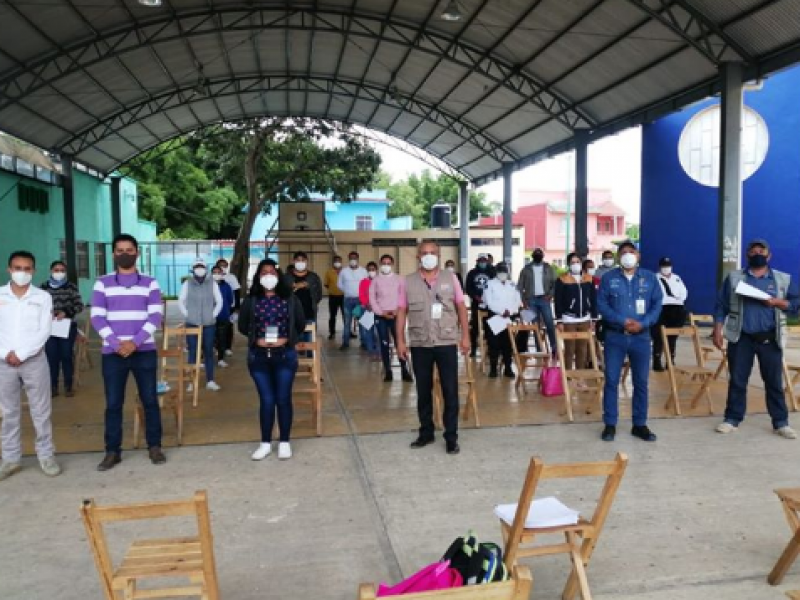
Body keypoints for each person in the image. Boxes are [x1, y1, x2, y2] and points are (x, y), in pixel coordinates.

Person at [91, 234, 165, 471]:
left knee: (150, 400)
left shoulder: (150, 283)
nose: (125, 253)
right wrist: (116, 343)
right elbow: (97, 317)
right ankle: (113, 451)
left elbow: (155, 315)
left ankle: (154, 446)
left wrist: (134, 342)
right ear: (113, 254)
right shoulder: (102, 283)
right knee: (113, 403)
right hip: (112, 354)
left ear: (137, 253)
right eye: (120, 250)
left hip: (144, 351)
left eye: (129, 250)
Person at [713, 239, 799, 439]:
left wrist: (777, 302)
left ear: (769, 256)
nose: (757, 253)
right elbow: (721, 305)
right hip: (742, 337)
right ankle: (732, 419)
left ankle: (780, 422)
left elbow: (796, 304)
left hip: (770, 338)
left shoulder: (782, 279)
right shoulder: (734, 278)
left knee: (773, 382)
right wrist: (717, 330)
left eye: (762, 250)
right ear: (747, 255)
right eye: (753, 251)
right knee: (737, 380)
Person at [396, 241, 470, 455]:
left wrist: (465, 336)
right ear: (418, 256)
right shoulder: (407, 282)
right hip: (420, 343)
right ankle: (426, 432)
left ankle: (451, 436)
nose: (429, 256)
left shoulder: (451, 278)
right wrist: (400, 341)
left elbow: (461, 307)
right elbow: (401, 311)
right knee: (423, 390)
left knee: (450, 390)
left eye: (433, 253)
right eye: (425, 253)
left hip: (446, 342)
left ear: (439, 255)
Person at [0, 250, 61, 480]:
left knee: (41, 411)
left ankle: (46, 456)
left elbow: (44, 330)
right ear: (9, 269)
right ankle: (10, 459)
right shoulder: (1, 295)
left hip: (34, 360)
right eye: (17, 268)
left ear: (33, 271)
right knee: (8, 412)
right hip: (4, 362)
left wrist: (23, 353)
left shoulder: (42, 297)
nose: (22, 273)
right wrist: (7, 353)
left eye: (27, 269)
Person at [238, 259, 306, 460]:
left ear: (278, 276)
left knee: (283, 398)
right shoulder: (252, 300)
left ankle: (284, 441)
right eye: (263, 272)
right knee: (267, 400)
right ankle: (265, 442)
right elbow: (243, 325)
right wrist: (257, 339)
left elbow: (300, 324)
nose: (268, 276)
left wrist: (286, 338)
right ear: (259, 277)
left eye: (272, 272)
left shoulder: (290, 299)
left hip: (284, 355)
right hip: (259, 358)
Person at [597, 240, 662, 443]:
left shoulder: (650, 279)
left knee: (641, 382)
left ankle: (639, 424)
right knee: (612, 380)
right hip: (615, 336)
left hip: (641, 338)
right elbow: (602, 305)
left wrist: (643, 324)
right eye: (623, 252)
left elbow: (657, 304)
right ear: (618, 257)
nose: (627, 255)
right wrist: (622, 321)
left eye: (631, 251)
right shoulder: (608, 278)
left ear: (638, 255)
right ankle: (610, 424)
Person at [179, 258, 222, 391]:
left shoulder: (212, 283)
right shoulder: (187, 284)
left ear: (206, 268)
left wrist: (212, 315)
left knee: (208, 351)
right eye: (197, 266)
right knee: (192, 352)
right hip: (192, 324)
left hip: (209, 324)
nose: (199, 268)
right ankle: (192, 381)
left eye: (201, 266)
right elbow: (181, 301)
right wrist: (188, 315)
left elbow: (219, 301)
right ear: (193, 269)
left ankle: (210, 380)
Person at [42, 260, 84, 397]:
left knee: (66, 355)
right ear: (51, 271)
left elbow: (79, 305)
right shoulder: (43, 287)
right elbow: (37, 306)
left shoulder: (71, 287)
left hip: (67, 326)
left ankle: (68, 385)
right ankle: (53, 386)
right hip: (49, 327)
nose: (59, 272)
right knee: (52, 356)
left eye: (61, 270)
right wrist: (48, 313)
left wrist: (66, 312)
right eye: (56, 270)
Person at [370, 254, 413, 382]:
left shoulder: (400, 279)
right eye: (384, 263)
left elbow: (405, 296)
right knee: (384, 343)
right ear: (380, 264)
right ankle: (387, 370)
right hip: (381, 316)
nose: (386, 266)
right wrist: (381, 312)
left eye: (389, 263)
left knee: (400, 342)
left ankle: (404, 369)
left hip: (397, 316)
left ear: (392, 264)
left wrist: (398, 310)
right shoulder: (375, 281)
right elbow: (372, 299)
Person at [554, 253, 598, 372]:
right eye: (572, 262)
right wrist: (559, 320)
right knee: (569, 349)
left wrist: (594, 318)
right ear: (568, 264)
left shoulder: (589, 278)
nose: (575, 264)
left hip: (585, 319)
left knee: (582, 349)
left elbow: (593, 298)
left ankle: (580, 376)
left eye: (577, 261)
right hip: (569, 319)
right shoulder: (562, 279)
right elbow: (558, 300)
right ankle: (567, 376)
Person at [483, 262, 521, 378]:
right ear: (496, 272)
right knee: (493, 344)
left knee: (508, 344)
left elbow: (517, 300)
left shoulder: (512, 284)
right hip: (495, 317)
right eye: (500, 272)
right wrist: (501, 311)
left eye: (504, 272)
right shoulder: (489, 284)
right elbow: (489, 301)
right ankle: (493, 368)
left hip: (509, 318)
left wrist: (511, 311)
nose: (502, 274)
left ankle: (508, 368)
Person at [517, 247, 557, 354]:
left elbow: (555, 284)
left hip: (545, 299)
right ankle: (539, 348)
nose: (538, 256)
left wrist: (550, 295)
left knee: (549, 323)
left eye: (540, 254)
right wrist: (523, 300)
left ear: (543, 256)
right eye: (536, 254)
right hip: (531, 300)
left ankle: (554, 347)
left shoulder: (548, 268)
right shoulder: (526, 269)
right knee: (535, 326)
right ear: (532, 256)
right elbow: (520, 286)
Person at [651, 257, 688, 371]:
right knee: (658, 336)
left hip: (677, 309)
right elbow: (657, 295)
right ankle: (657, 361)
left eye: (668, 265)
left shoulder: (676, 278)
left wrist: (678, 299)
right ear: (660, 266)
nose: (666, 268)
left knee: (673, 335)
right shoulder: (655, 278)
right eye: (664, 266)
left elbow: (684, 293)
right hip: (662, 308)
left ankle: (670, 360)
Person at [284, 251, 323, 354]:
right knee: (294, 345)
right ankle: (293, 365)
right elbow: (281, 295)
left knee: (310, 343)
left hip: (309, 314)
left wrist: (307, 285)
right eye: (298, 260)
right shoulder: (286, 278)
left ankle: (311, 365)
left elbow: (319, 295)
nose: (300, 262)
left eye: (303, 260)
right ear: (294, 261)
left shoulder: (313, 277)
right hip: (291, 316)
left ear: (307, 262)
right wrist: (293, 287)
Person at [338, 251, 368, 350]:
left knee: (362, 322)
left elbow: (366, 284)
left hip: (360, 300)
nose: (353, 260)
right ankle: (345, 342)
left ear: (358, 259)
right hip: (347, 300)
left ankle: (364, 342)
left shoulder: (363, 271)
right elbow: (339, 284)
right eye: (351, 258)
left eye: (355, 258)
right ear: (348, 259)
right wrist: (348, 291)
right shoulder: (344, 271)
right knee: (347, 322)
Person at [465, 254, 492, 357]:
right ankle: (474, 349)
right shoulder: (472, 273)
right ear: (477, 261)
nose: (482, 262)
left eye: (484, 260)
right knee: (475, 327)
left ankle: (490, 348)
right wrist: (475, 297)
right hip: (476, 304)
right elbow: (468, 288)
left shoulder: (492, 272)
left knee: (489, 327)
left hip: (489, 304)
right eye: (480, 260)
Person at [214, 258, 240, 356]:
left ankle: (227, 347)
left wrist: (237, 307)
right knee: (216, 328)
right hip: (215, 307)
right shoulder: (211, 278)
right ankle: (217, 347)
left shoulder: (231, 277)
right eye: (221, 265)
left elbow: (236, 292)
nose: (223, 268)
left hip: (229, 306)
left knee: (228, 328)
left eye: (225, 266)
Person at [212, 265, 235, 368]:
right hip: (209, 317)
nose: (216, 274)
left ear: (222, 274)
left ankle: (221, 359)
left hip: (223, 316)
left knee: (222, 338)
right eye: (214, 272)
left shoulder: (226, 286)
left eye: (218, 272)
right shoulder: (208, 286)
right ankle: (205, 357)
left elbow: (230, 300)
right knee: (209, 338)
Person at [359, 261, 380, 361]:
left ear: (376, 270)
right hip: (367, 310)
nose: (371, 271)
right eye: (369, 270)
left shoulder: (380, 281)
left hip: (378, 310)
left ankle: (379, 352)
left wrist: (376, 305)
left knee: (379, 332)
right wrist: (367, 304)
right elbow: (361, 295)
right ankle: (371, 352)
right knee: (368, 332)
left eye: (373, 270)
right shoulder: (363, 282)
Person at [324, 255, 345, 340]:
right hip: (333, 297)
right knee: (332, 315)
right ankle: (332, 332)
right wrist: (334, 289)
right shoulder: (328, 272)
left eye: (339, 260)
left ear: (341, 261)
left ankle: (348, 332)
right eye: (335, 260)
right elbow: (326, 284)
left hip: (344, 296)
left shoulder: (345, 272)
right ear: (333, 262)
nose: (337, 262)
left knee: (346, 315)